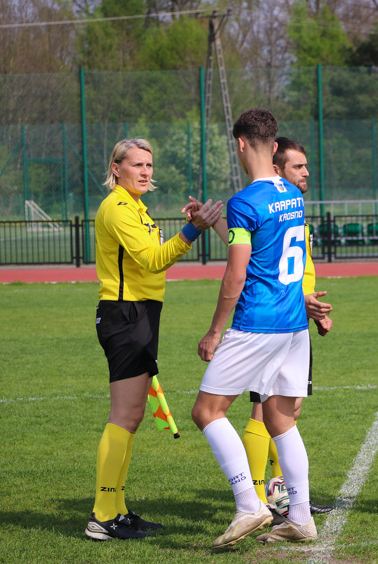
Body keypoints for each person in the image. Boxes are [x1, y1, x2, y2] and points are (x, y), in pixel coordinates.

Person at [191, 109, 317, 548]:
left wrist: (214, 330)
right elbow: (259, 242)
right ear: (276, 145)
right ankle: (299, 517)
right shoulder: (292, 194)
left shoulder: (245, 200)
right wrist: (217, 224)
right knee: (281, 420)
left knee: (207, 412)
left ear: (241, 144)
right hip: (293, 324)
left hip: (257, 322)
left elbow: (237, 273)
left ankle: (250, 504)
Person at [87, 138, 224, 541]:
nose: (146, 172)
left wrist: (191, 224)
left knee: (131, 418)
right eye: (136, 165)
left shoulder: (136, 207)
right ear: (116, 169)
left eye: (149, 164)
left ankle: (116, 509)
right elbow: (152, 259)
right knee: (124, 416)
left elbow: (150, 257)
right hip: (125, 314)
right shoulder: (117, 208)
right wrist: (192, 231)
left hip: (140, 314)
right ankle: (102, 514)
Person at [241, 137, 334, 519]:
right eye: (298, 166)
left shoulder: (293, 210)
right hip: (270, 323)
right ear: (277, 169)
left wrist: (311, 306)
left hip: (295, 320)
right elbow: (260, 270)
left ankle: (284, 497)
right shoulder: (264, 207)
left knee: (290, 410)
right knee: (264, 411)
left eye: (306, 165)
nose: (306, 172)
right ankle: (259, 498)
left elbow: (293, 270)